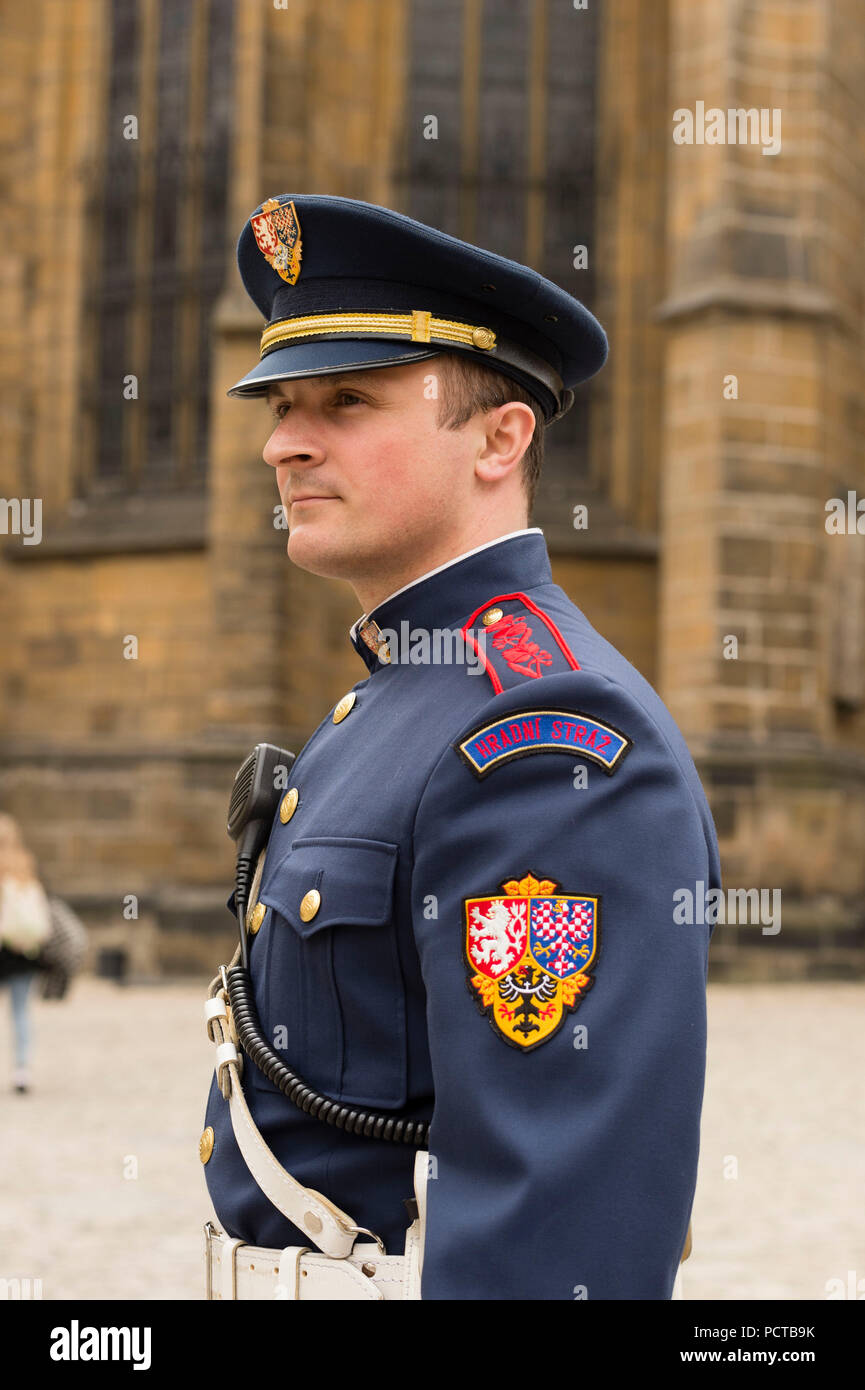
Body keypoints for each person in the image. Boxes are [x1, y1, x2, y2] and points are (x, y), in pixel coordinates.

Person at [200, 193, 721, 1300]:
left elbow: (556, 1223)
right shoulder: (400, 697)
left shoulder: (548, 740)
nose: (282, 442)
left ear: (500, 436)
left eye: (345, 399)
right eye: (284, 403)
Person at [0, 814, 52, 1093]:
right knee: (20, 1011)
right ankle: (22, 1069)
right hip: (26, 950)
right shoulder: (26, 864)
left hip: (4, 949)